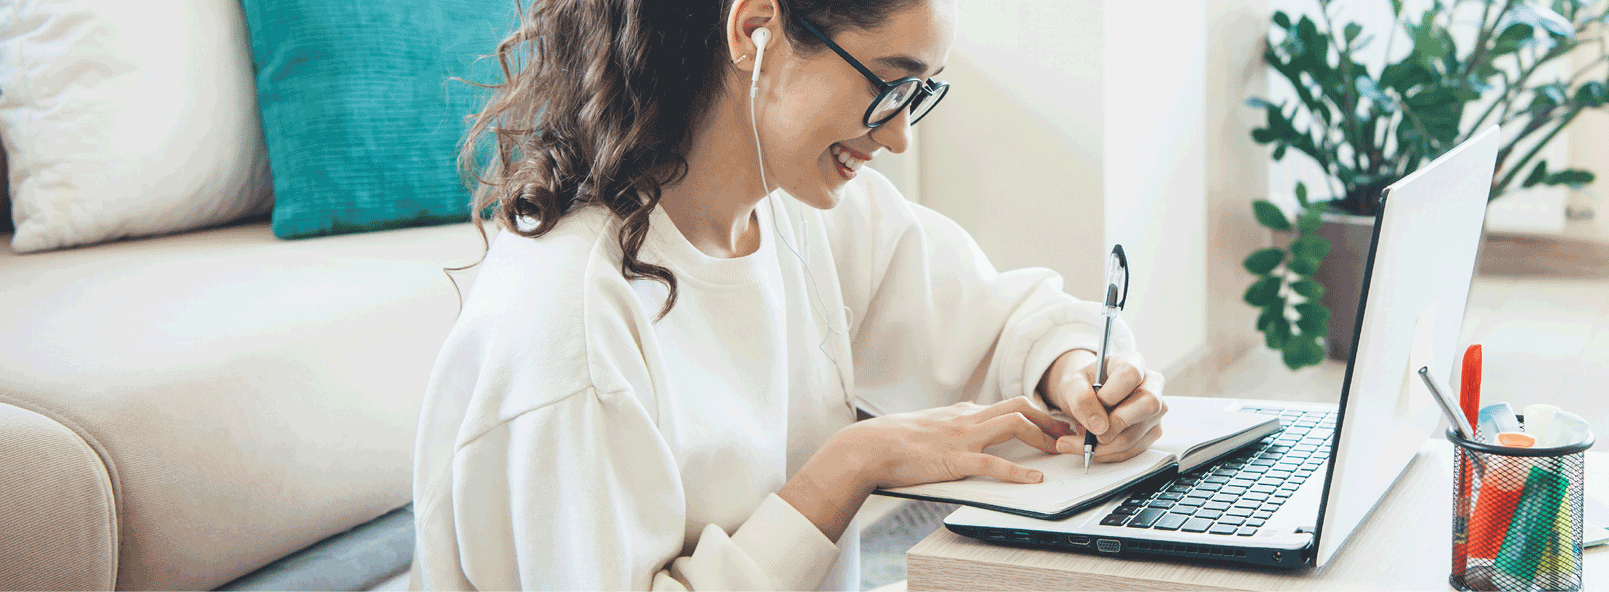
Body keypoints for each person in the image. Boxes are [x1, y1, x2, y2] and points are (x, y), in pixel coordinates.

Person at [409, 0, 1168, 589]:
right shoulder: (571, 326)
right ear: (754, 30)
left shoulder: (793, 209)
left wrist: (1073, 368)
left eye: (921, 94)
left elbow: (997, 319)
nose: (900, 134)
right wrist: (849, 466)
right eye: (889, 84)